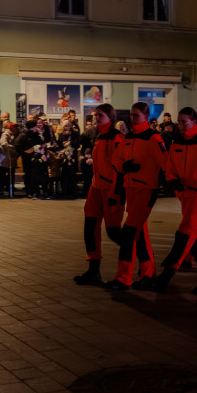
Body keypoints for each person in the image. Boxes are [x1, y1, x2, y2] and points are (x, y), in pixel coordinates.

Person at [104, 102, 169, 290]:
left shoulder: (153, 138)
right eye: (131, 115)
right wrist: (125, 167)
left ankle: (123, 278)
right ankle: (148, 274)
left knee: (130, 232)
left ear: (146, 117)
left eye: (136, 116)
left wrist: (173, 184)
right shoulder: (129, 137)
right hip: (131, 190)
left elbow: (166, 164)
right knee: (139, 235)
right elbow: (116, 159)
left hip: (146, 190)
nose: (132, 119)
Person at [152, 107, 197, 293]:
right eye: (178, 122)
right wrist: (172, 179)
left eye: (184, 122)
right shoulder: (177, 142)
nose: (180, 125)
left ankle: (167, 273)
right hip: (185, 195)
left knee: (186, 232)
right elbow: (170, 165)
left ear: (194, 122)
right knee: (195, 236)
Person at [73, 104, 125, 285]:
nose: (96, 119)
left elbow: (120, 168)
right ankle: (93, 271)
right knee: (90, 228)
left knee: (114, 232)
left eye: (100, 115)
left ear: (110, 117)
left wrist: (117, 192)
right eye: (95, 115)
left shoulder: (116, 137)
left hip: (110, 189)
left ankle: (141, 259)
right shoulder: (99, 136)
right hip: (97, 188)